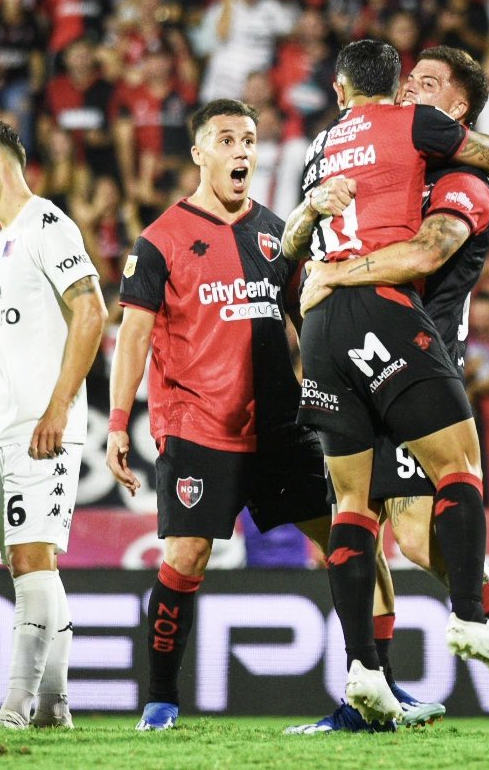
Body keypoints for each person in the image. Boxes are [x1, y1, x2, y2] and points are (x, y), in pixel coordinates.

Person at [292, 46, 489, 734]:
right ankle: (369, 686)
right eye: (407, 76)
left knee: (416, 535)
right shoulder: (389, 154)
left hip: (415, 348)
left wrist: (333, 273)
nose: (411, 86)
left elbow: (423, 252)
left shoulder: (462, 186)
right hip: (363, 341)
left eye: (428, 83)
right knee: (362, 520)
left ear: (457, 111)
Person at [103, 98, 340, 733]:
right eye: (227, 139)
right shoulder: (160, 239)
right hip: (197, 424)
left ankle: (371, 684)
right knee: (186, 555)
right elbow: (131, 337)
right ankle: (160, 698)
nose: (241, 151)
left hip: (280, 426)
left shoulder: (278, 233)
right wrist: (118, 420)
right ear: (199, 153)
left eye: (250, 140)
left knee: (344, 543)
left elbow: (308, 318)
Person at [0, 117, 107, 731]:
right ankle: (55, 704)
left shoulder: (48, 225)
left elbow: (91, 311)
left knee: (33, 557)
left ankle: (15, 706)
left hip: (43, 428)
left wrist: (59, 406)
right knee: (27, 566)